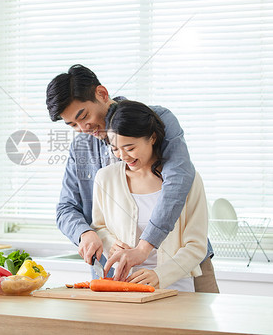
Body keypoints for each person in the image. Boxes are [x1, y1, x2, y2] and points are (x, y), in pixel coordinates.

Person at [46, 64, 219, 292]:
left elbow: (179, 179)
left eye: (84, 116)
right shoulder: (82, 147)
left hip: (184, 266)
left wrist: (145, 248)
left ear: (102, 94)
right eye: (72, 125)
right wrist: (85, 234)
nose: (83, 128)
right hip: (118, 274)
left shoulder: (155, 120)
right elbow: (67, 207)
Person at [91, 100, 208, 291]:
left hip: (177, 288)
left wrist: (159, 275)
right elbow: (99, 227)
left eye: (130, 148)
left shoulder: (188, 181)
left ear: (152, 138)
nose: (123, 156)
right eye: (115, 149)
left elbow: (196, 246)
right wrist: (112, 245)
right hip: (124, 289)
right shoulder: (105, 178)